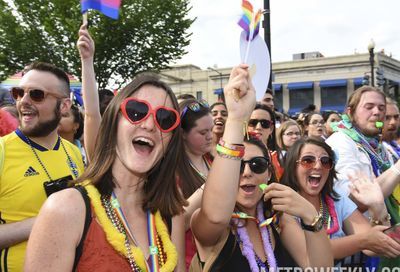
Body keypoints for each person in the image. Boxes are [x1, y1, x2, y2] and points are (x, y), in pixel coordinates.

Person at [25, 72, 187, 271]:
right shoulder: (65, 210)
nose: (149, 125)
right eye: (136, 111)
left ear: (171, 141)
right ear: (114, 122)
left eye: (165, 119)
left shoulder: (171, 213)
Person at [190, 64, 333, 271]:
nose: (247, 172)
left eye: (257, 165)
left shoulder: (277, 220)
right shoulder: (209, 225)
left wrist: (311, 217)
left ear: (268, 174)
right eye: (237, 167)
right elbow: (214, 215)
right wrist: (237, 118)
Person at [0, 62, 85, 271]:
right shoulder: (3, 152)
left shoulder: (73, 152)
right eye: (19, 93)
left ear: (64, 106)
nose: (23, 102)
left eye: (36, 94)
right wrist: (50, 221)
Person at [281, 137, 400, 266]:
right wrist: (364, 240)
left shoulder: (337, 201)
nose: (318, 166)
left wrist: (377, 206)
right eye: (308, 160)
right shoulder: (285, 206)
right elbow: (310, 259)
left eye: (325, 161)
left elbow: (374, 246)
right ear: (293, 166)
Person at [178, 98, 213, 269]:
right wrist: (213, 184)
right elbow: (178, 221)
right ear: (183, 133)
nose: (210, 136)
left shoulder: (212, 161)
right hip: (191, 260)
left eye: (212, 130)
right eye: (202, 132)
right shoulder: (172, 171)